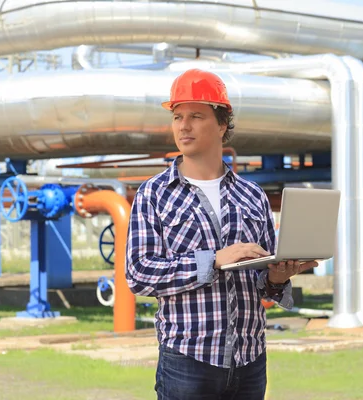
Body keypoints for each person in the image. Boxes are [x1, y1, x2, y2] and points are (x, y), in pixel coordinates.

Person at [125, 69, 318, 400]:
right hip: (188, 360)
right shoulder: (154, 194)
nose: (183, 126)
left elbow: (265, 284)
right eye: (177, 116)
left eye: (196, 116)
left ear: (222, 124)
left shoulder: (252, 195)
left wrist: (277, 276)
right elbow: (139, 273)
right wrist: (212, 261)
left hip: (250, 359)